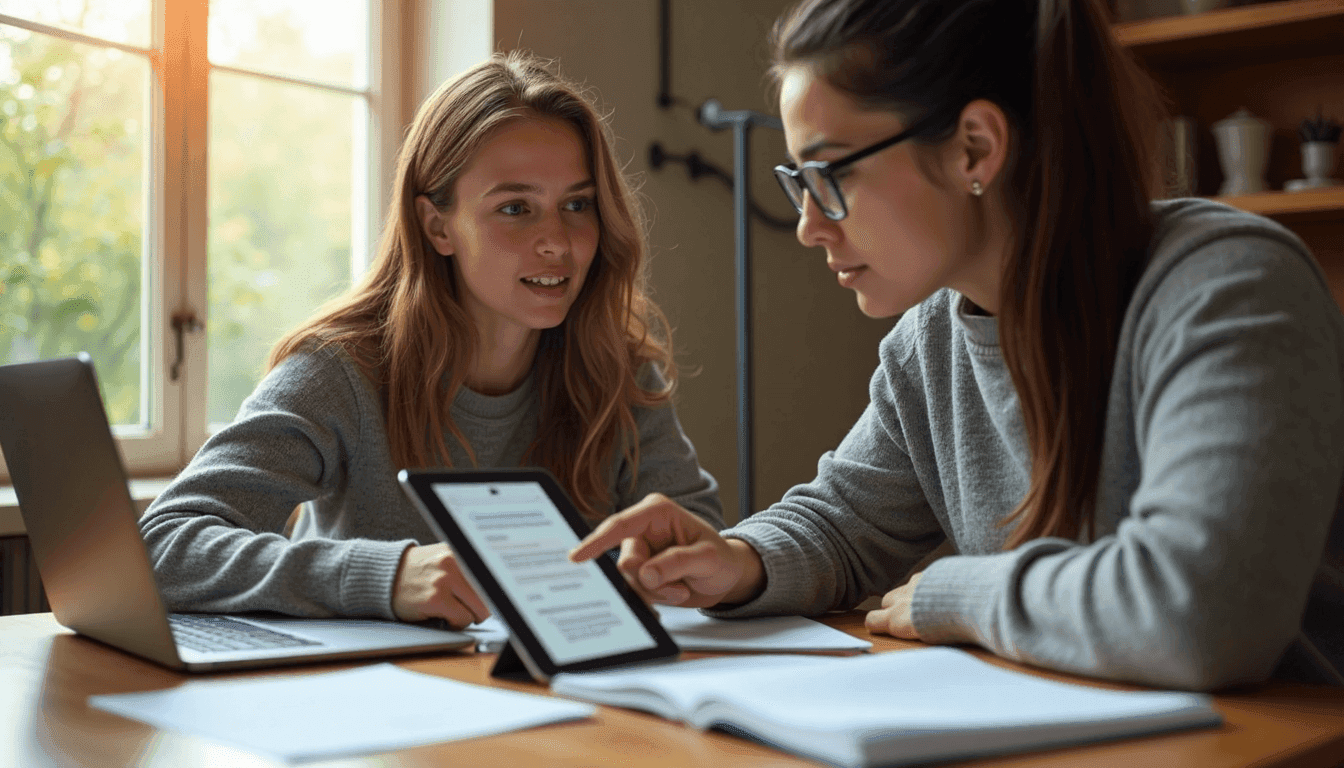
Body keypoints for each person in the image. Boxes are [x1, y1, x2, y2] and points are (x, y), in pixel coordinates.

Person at [571, 0, 1344, 691]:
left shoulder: (1228, 287)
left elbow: (1201, 610)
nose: (808, 225)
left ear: (974, 147)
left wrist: (957, 592)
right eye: (796, 182)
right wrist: (738, 562)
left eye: (829, 174)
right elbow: (844, 523)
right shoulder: (931, 341)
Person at [140, 52, 722, 630]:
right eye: (515, 208)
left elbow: (693, 531)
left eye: (577, 204)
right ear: (437, 225)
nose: (557, 241)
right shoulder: (340, 369)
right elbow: (162, 544)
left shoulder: (616, 367)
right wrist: (386, 576)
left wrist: (666, 565)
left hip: (567, 683)